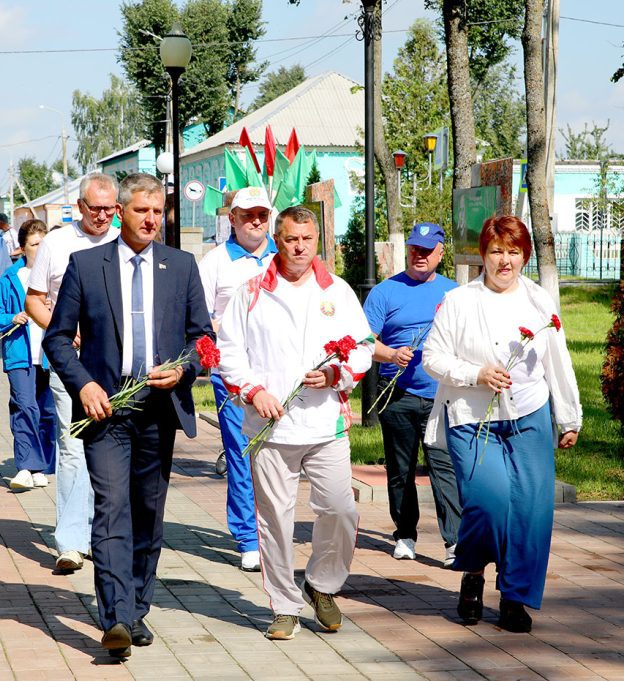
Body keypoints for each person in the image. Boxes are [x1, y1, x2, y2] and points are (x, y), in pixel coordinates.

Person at [44, 173, 212, 659]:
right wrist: (85, 384)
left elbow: (201, 339)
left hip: (158, 409)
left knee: (146, 512)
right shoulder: (86, 265)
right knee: (112, 506)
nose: (151, 220)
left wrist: (183, 369)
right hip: (105, 408)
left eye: (158, 212)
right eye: (142, 211)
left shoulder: (180, 266)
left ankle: (137, 605)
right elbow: (57, 338)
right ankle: (115, 615)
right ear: (121, 211)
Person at [217, 206, 372, 641]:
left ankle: (321, 584)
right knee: (275, 519)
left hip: (325, 424)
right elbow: (229, 351)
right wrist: (254, 390)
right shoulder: (251, 292)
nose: (299, 246)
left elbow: (361, 348)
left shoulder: (337, 291)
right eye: (290, 239)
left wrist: (335, 375)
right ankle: (284, 606)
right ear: (277, 240)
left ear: (317, 240)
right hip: (269, 427)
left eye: (306, 238)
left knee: (341, 509)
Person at [422, 215, 581, 634]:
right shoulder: (459, 301)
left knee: (531, 511)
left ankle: (514, 598)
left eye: (513, 252)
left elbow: (556, 362)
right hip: (473, 418)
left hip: (529, 414)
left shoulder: (539, 302)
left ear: (525, 256)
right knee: (489, 502)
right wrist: (476, 374)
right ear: (483, 256)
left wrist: (568, 416)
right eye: (496, 251)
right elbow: (432, 358)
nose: (505, 261)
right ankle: (473, 570)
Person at [25, 172, 121, 572]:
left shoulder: (125, 243)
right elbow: (34, 300)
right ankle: (70, 540)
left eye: (108, 209)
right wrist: (63, 331)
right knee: (72, 445)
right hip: (72, 364)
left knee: (114, 448)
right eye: (94, 208)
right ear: (79, 207)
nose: (101, 216)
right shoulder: (58, 242)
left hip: (118, 368)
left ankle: (106, 532)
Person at [363, 223, 462, 566]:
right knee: (400, 468)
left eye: (426, 250)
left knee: (444, 467)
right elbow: (363, 342)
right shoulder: (384, 293)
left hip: (442, 395)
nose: (419, 256)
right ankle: (405, 535)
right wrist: (390, 354)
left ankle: (454, 542)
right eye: (414, 249)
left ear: (440, 252)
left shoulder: (455, 294)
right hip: (397, 393)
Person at [197, 186, 278, 573]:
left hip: (280, 374)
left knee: (281, 456)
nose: (256, 222)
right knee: (242, 455)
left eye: (262, 214)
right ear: (233, 219)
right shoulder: (215, 262)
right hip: (231, 374)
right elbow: (196, 317)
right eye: (248, 215)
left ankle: (275, 533)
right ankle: (248, 537)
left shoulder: (286, 257)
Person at [0, 219, 56, 491]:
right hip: (20, 355)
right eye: (35, 244)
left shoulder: (57, 278)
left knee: (48, 412)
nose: (40, 249)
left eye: (43, 244)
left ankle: (44, 466)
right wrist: (12, 317)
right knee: (25, 406)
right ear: (22, 249)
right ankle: (28, 465)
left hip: (50, 356)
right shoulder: (11, 279)